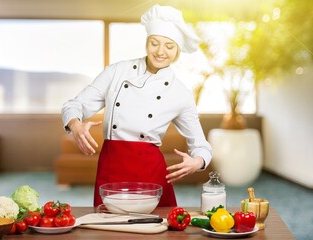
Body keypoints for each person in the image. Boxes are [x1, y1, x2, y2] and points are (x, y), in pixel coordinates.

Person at [62, 4, 212, 207]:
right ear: (146, 43)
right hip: (111, 167)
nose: (160, 52)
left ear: (177, 51)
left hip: (151, 173)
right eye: (154, 43)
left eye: (169, 46)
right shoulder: (117, 72)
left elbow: (201, 145)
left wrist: (197, 162)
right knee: (107, 230)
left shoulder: (180, 93)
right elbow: (74, 105)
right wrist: (76, 125)